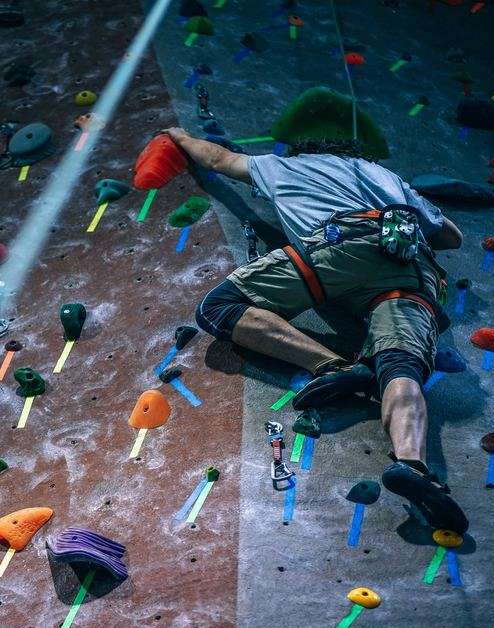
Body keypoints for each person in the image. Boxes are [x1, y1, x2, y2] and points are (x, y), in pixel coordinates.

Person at [164, 128, 469, 534]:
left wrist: (181, 137)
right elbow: (451, 237)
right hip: (411, 268)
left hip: (339, 248)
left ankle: (331, 365)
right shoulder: (387, 177)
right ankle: (411, 464)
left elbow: (218, 160)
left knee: (220, 307)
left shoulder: (283, 166)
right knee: (401, 366)